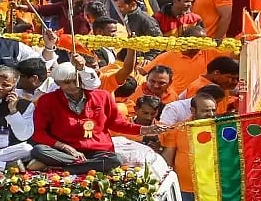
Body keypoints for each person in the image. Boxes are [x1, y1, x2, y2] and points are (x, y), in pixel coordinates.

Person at [29, 62, 165, 173]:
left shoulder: (102, 96)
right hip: (65, 152)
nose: (72, 86)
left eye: (75, 81)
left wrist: (146, 130)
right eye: (66, 83)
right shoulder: (47, 100)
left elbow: (117, 123)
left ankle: (64, 169)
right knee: (38, 150)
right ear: (58, 83)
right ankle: (80, 166)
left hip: (98, 151)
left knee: (114, 160)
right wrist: (65, 147)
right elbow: (39, 134)